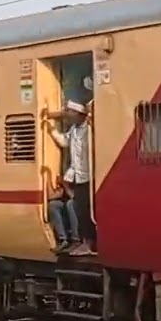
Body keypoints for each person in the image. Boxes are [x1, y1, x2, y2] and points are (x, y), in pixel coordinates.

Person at [44, 100, 95, 256]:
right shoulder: (73, 130)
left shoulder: (90, 129)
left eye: (71, 113)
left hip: (90, 176)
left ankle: (87, 243)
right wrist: (51, 130)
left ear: (80, 114)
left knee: (85, 211)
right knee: (80, 210)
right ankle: (81, 242)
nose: (69, 117)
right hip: (78, 176)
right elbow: (64, 142)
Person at [46, 175, 78, 253]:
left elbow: (72, 196)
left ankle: (76, 240)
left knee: (71, 204)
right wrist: (48, 178)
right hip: (69, 209)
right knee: (53, 204)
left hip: (83, 207)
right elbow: (51, 196)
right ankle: (63, 240)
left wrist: (65, 184)